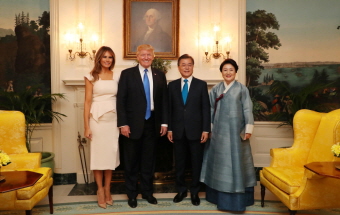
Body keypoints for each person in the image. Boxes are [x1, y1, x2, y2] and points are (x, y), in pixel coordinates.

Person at [200, 58, 256, 212]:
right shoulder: (216, 89)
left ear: (236, 71)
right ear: (221, 72)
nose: (228, 72)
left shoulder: (242, 89)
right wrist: (210, 129)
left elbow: (247, 109)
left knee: (237, 164)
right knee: (220, 163)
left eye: (231, 69)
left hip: (237, 133)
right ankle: (216, 197)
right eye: (225, 70)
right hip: (218, 134)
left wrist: (248, 129)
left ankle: (237, 201)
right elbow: (211, 110)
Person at [117, 44, 168, 208]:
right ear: (137, 57)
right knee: (131, 162)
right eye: (143, 55)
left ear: (153, 57)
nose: (146, 57)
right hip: (131, 126)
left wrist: (165, 122)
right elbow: (121, 101)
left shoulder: (160, 75)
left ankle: (147, 193)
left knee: (148, 162)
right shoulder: (127, 74)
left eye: (149, 55)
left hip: (152, 124)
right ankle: (131, 194)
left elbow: (164, 102)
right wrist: (123, 123)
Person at [167, 54, 210, 206]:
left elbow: (206, 109)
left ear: (193, 66)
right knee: (179, 163)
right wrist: (170, 129)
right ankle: (181, 190)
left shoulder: (201, 85)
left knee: (196, 163)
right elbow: (169, 109)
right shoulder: (171, 86)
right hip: (177, 131)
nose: (186, 67)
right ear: (178, 67)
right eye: (183, 65)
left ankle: (194, 192)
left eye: (189, 64)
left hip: (196, 132)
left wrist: (206, 129)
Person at [84, 46, 120, 209]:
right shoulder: (91, 76)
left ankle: (108, 189)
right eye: (104, 56)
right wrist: (86, 126)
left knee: (110, 156)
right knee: (98, 157)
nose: (107, 59)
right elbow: (87, 102)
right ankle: (99, 190)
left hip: (113, 121)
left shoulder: (117, 75)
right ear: (98, 58)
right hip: (97, 121)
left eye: (110, 57)